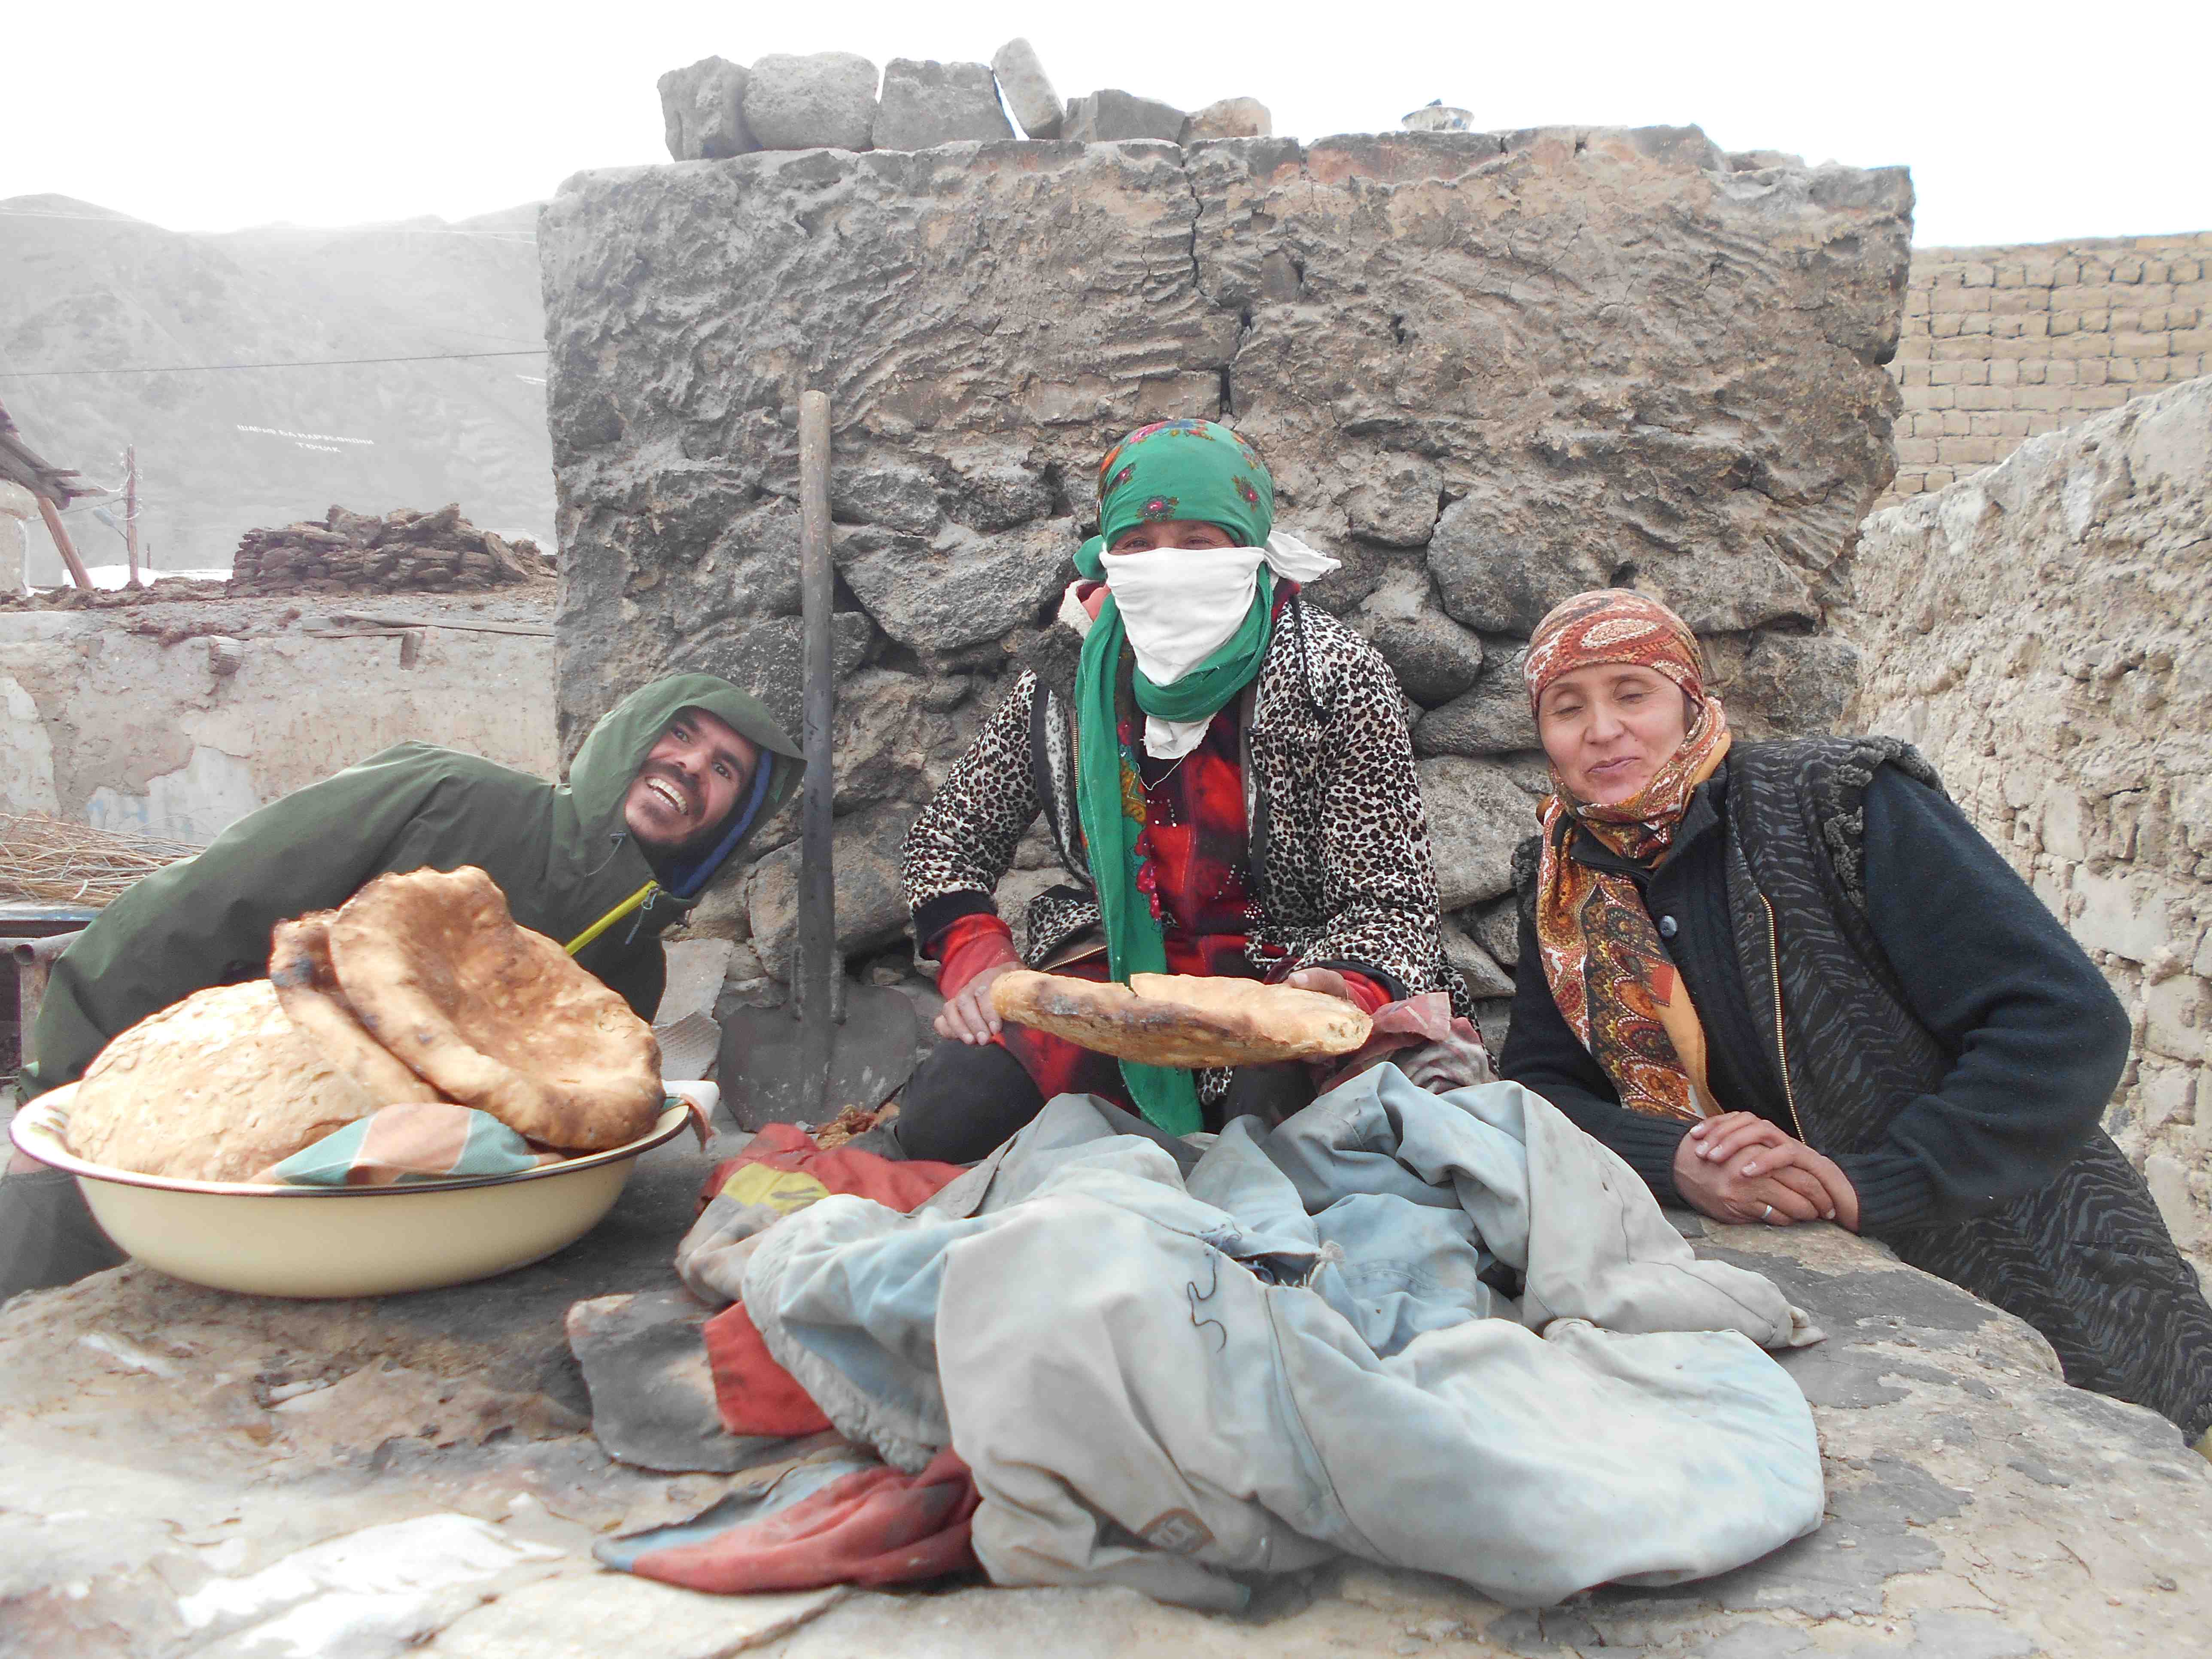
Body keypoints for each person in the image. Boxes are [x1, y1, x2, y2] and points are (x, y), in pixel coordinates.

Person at [1497, 587, 2212, 1447]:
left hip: (2036, 1253)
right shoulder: (1561, 881)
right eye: (1567, 708)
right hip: (1838, 1328)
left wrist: (1877, 1181)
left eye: (1631, 694)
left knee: (2130, 1474)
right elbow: (1541, 1090)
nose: (1603, 730)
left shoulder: (1836, 802)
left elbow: (2060, 1020)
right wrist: (1676, 1159)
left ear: (1687, 701)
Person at [1, 672, 802, 1297]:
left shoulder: (630, 976)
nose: (690, 764)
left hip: (362, 1239)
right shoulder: (445, 797)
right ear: (631, 736)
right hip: (162, 1146)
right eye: (680, 733)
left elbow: (539, 1139)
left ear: (731, 819)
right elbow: (193, 912)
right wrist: (63, 1090)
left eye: (724, 769)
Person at [895, 418, 1462, 1161]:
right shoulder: (1068, 678)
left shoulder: (1333, 676)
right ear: (1108, 555)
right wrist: (981, 963)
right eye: (1137, 545)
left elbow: (1392, 901)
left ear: (1248, 547)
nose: (1166, 567)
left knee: (1272, 1142)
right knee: (945, 1121)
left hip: (1286, 972)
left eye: (1198, 542)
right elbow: (949, 840)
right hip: (1116, 974)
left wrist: (1338, 989)